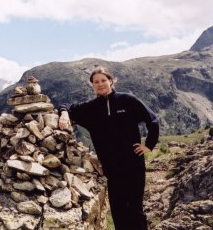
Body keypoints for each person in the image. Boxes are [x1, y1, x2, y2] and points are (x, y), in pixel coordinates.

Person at [58, 66, 159, 230]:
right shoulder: (90, 108)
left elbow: (153, 120)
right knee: (118, 210)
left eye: (103, 80)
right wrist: (63, 113)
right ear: (92, 85)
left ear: (111, 81)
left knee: (135, 209)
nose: (100, 84)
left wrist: (149, 145)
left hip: (134, 165)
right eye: (96, 82)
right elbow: (67, 107)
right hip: (111, 169)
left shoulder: (127, 100)